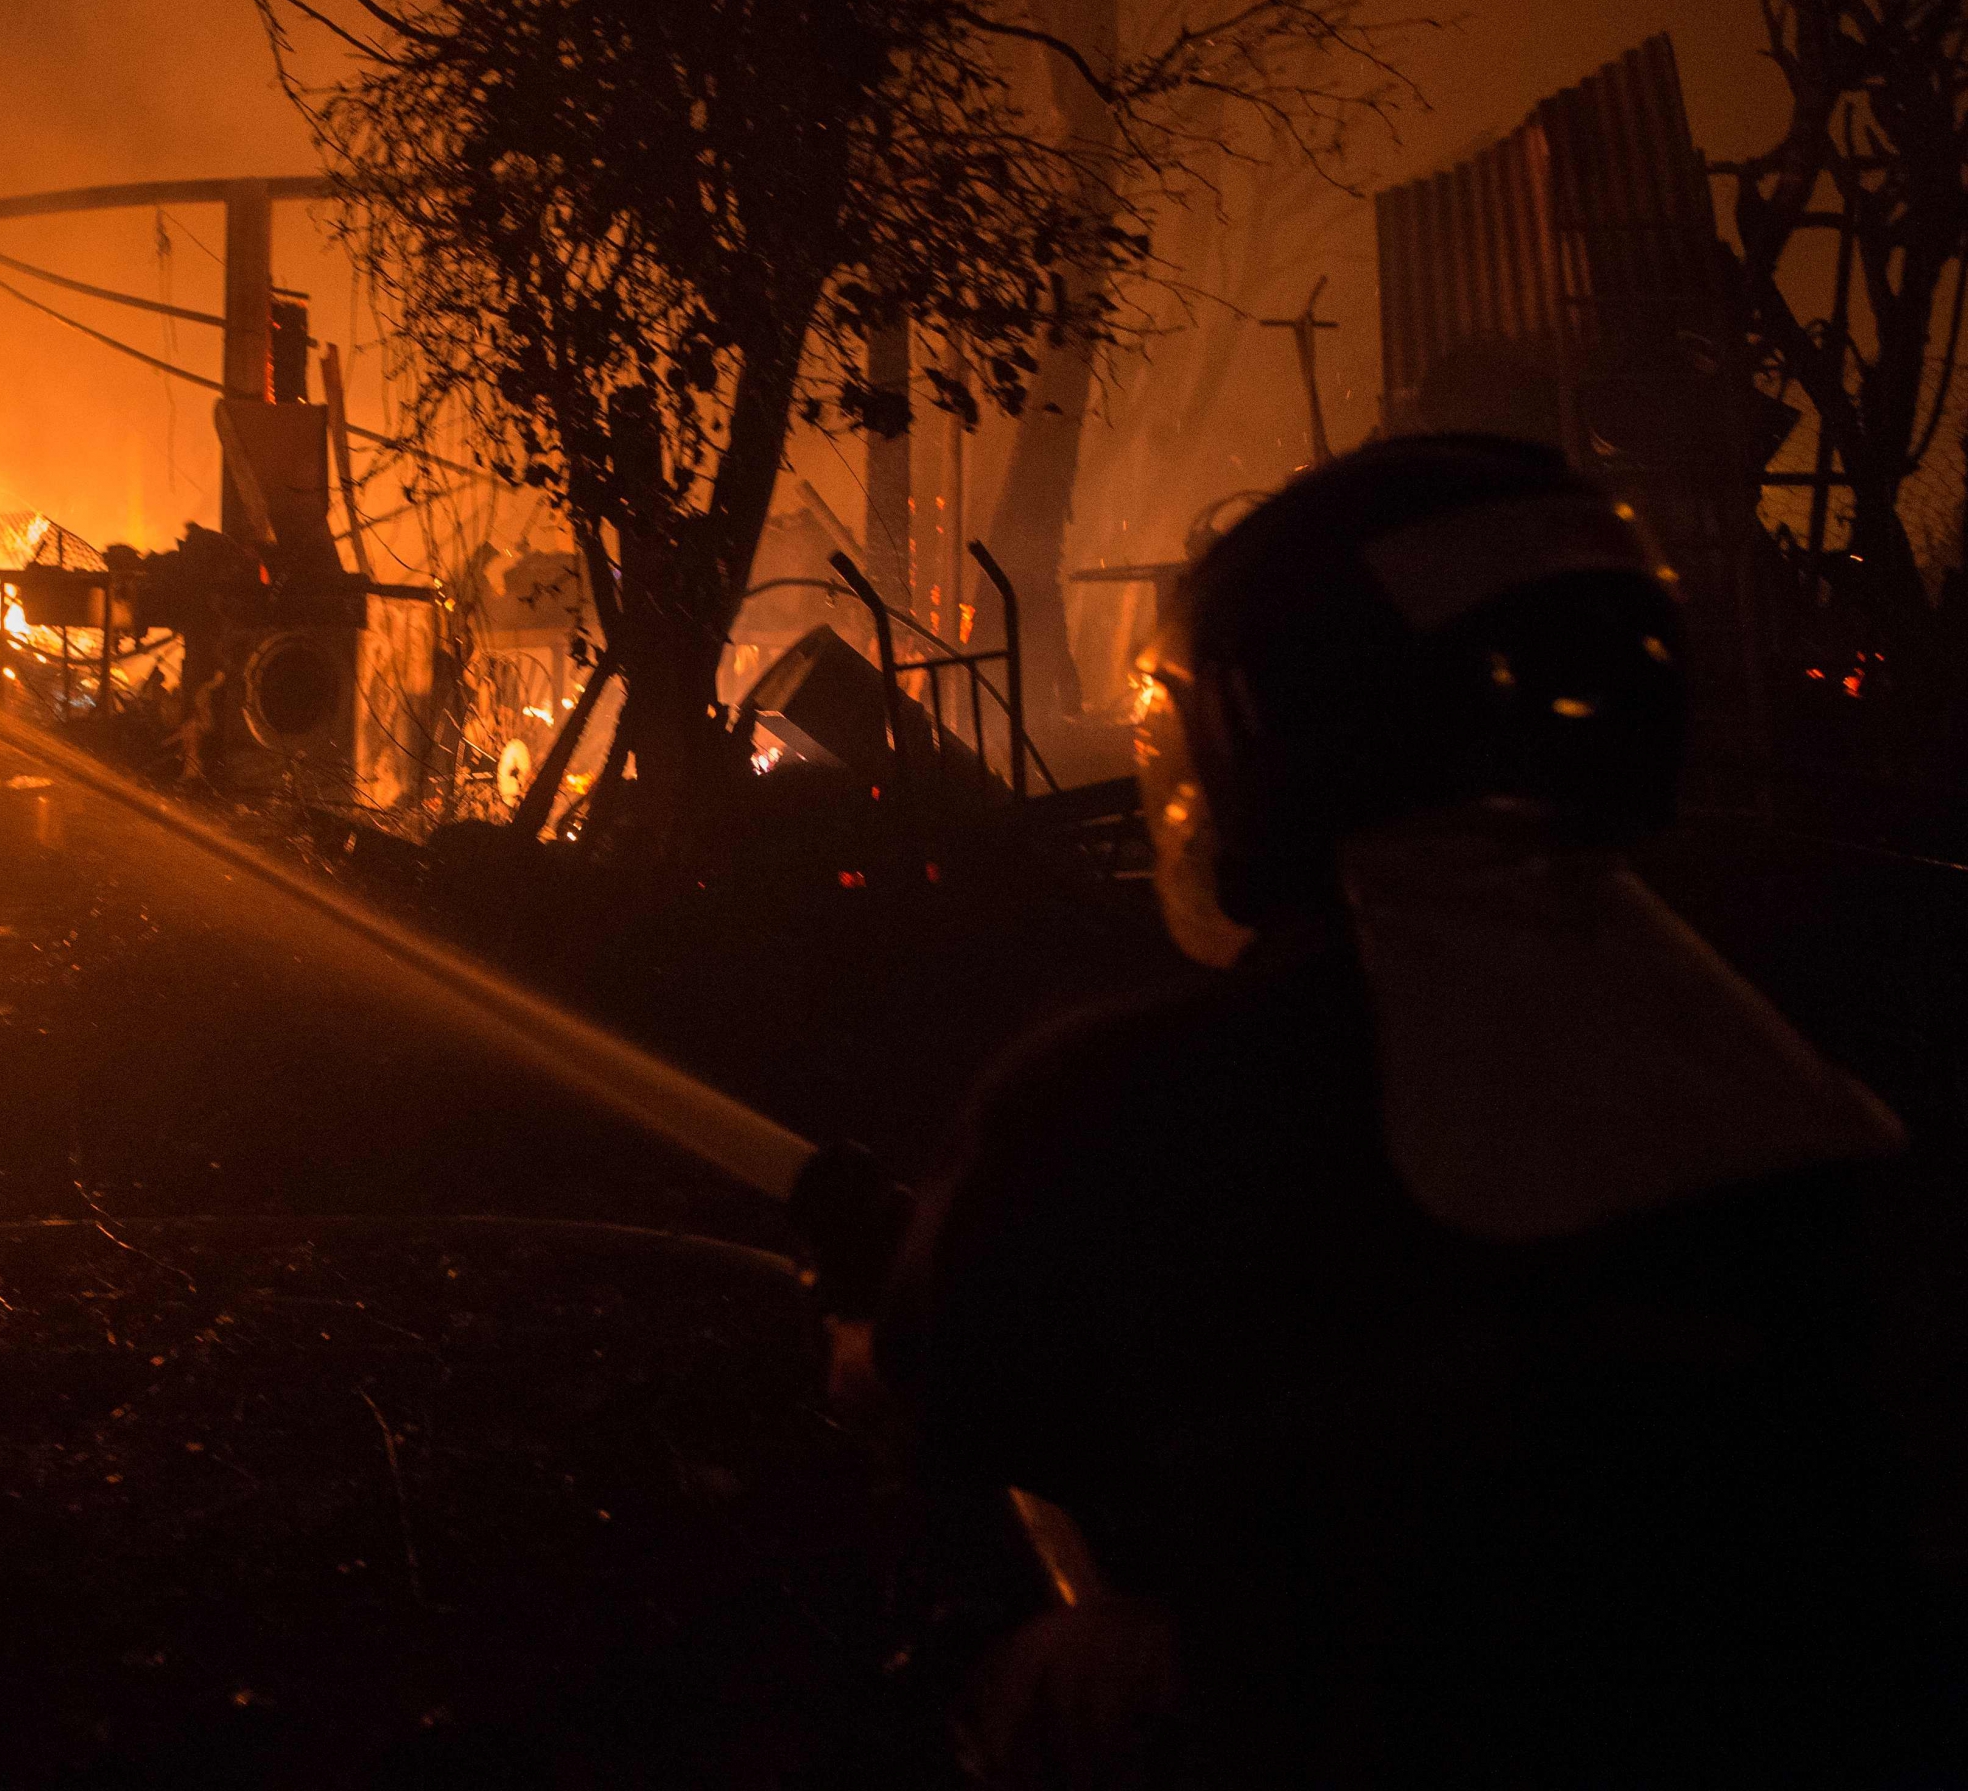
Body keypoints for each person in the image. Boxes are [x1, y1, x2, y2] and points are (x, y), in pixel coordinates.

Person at [809, 436, 1915, 1786]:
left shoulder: (1121, 1101)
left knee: (1040, 1671)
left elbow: (954, 1400)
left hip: (1356, 1730)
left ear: (1252, 729)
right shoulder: (1809, 1067)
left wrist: (880, 1301)